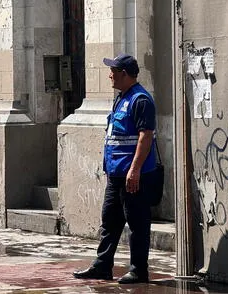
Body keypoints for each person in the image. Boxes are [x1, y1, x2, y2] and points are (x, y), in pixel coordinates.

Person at [73, 54, 157, 284]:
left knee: (137, 224)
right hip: (116, 174)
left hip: (134, 176)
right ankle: (102, 266)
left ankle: (139, 270)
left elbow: (145, 137)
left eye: (114, 70)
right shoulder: (122, 98)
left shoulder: (141, 100)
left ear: (125, 74)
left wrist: (135, 169)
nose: (110, 74)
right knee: (109, 221)